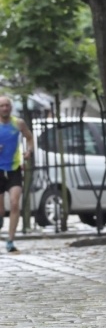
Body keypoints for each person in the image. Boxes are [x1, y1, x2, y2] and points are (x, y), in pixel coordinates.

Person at [0, 96, 34, 253]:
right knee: (0, 210)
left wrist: (28, 151)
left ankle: (10, 240)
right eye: (2, 106)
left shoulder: (18, 123)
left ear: (11, 107)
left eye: (7, 105)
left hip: (14, 169)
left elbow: (29, 138)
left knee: (14, 203)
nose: (5, 108)